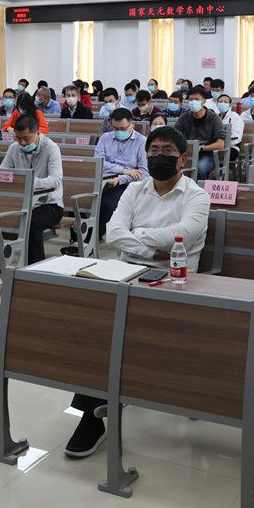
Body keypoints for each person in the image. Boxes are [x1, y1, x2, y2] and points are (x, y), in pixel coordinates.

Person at [65, 125, 211, 459]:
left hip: (175, 280)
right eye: (154, 151)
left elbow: (184, 236)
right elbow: (113, 232)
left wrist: (138, 237)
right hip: (126, 272)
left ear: (183, 158)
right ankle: (94, 412)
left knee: (118, 329)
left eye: (168, 151)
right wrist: (151, 247)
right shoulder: (134, 190)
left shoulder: (196, 196)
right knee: (95, 325)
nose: (160, 156)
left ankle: (94, 414)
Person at [0, 114, 63, 290]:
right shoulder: (14, 148)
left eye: (26, 138)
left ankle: (36, 274)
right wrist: (14, 181)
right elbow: (2, 173)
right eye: (18, 138)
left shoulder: (51, 148)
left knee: (31, 223)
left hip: (49, 204)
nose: (23, 143)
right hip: (20, 203)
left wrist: (26, 182)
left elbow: (55, 180)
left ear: (37, 132)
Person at [94, 108, 149, 239]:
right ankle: (81, 236)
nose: (119, 132)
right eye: (115, 128)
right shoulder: (105, 138)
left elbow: (144, 173)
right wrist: (123, 170)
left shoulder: (142, 141)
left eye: (123, 128)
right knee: (85, 200)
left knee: (108, 204)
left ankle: (92, 237)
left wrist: (121, 178)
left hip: (127, 184)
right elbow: (99, 162)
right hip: (103, 178)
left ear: (132, 124)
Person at [175, 86, 225, 180]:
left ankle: (199, 188)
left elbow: (220, 144)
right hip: (186, 153)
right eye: (191, 100)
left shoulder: (214, 118)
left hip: (208, 154)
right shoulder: (184, 117)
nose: (193, 102)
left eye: (197, 99)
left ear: (204, 101)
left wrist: (202, 148)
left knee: (200, 167)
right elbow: (175, 137)